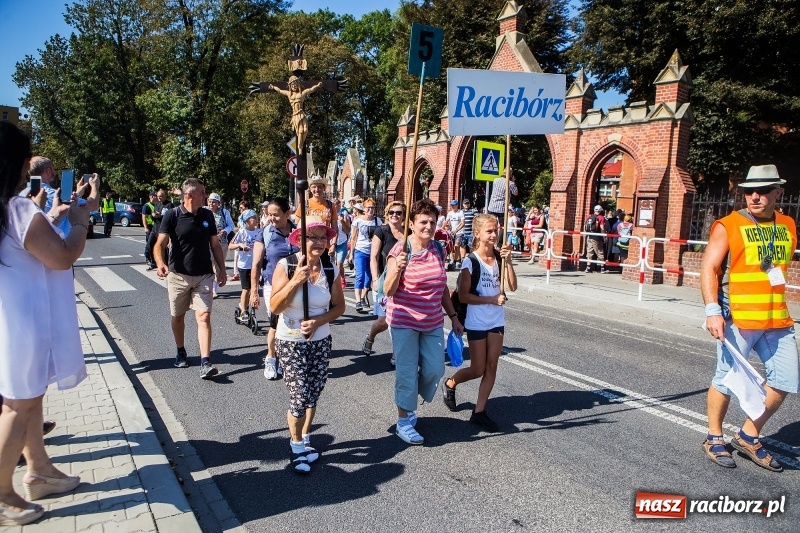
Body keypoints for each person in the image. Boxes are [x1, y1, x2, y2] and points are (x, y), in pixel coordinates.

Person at [0, 123, 88, 525]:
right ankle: (3, 494)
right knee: (18, 406)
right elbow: (60, 256)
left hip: (12, 319)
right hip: (24, 324)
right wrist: (82, 219)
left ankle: (39, 470)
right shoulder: (18, 209)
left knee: (28, 398)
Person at [700, 164, 797, 472]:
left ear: (778, 192)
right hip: (738, 318)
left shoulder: (789, 224)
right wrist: (713, 311)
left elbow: (774, 270)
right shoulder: (728, 225)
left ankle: (748, 434)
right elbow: (709, 269)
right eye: (749, 191)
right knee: (726, 380)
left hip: (776, 319)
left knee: (786, 379)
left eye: (763, 191)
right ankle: (714, 437)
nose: (755, 197)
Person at [383, 198, 464, 445]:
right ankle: (404, 420)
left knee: (435, 369)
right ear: (411, 223)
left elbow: (441, 288)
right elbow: (388, 290)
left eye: (432, 221)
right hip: (404, 320)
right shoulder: (400, 250)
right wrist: (397, 268)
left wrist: (453, 317)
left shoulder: (438, 249)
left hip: (432, 321)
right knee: (406, 372)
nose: (428, 226)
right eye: (423, 222)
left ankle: (408, 401)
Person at [269, 218, 344, 473]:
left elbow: (340, 307)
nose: (319, 243)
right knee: (299, 395)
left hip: (320, 339)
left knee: (313, 393)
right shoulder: (287, 265)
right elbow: (275, 307)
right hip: (290, 339)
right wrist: (294, 282)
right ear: (300, 240)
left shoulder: (330, 268)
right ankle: (296, 445)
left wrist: (318, 321)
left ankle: (307, 437)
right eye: (312, 237)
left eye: (323, 237)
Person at [442, 214, 517, 431]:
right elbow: (464, 296)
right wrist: (491, 299)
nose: (494, 235)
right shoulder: (470, 261)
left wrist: (509, 261)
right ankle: (451, 383)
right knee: (477, 369)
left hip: (496, 320)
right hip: (476, 321)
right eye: (489, 231)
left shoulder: (500, 258)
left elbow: (512, 286)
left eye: (496, 231)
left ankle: (479, 411)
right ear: (477, 234)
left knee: (492, 366)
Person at [154, 178, 227, 379]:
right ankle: (180, 350)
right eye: (202, 192)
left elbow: (214, 245)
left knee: (203, 316)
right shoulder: (172, 215)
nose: (206, 195)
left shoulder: (207, 216)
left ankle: (205, 361)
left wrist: (221, 269)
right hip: (178, 275)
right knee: (178, 316)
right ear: (190, 195)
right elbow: (159, 244)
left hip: (204, 274)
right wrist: (160, 263)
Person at [250, 197, 298, 380]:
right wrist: (254, 291)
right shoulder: (265, 233)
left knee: (293, 322)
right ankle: (271, 357)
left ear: (287, 214)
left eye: (276, 215)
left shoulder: (298, 232)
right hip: (273, 285)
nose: (272, 218)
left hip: (296, 284)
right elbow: (255, 264)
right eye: (269, 215)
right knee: (276, 322)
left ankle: (285, 359)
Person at [364, 201, 406, 359]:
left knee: (396, 320)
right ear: (387, 215)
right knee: (383, 321)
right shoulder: (381, 231)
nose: (395, 215)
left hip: (402, 284)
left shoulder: (408, 233)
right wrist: (374, 279)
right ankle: (371, 336)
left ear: (403, 216)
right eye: (391, 213)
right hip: (383, 282)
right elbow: (374, 257)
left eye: (399, 212)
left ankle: (397, 354)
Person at [229, 209, 263, 323]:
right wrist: (240, 245)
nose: (257, 219)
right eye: (254, 217)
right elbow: (230, 246)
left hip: (255, 265)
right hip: (244, 265)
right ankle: (243, 310)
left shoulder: (259, 232)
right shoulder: (242, 232)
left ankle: (249, 307)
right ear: (248, 220)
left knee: (254, 289)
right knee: (246, 289)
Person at [348, 199, 381, 313]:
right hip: (360, 251)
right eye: (368, 208)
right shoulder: (358, 221)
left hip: (373, 252)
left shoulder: (378, 221)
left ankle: (362, 297)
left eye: (372, 208)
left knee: (370, 277)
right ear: (364, 208)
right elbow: (353, 238)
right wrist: (351, 254)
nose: (370, 210)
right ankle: (358, 301)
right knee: (360, 275)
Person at [206, 192, 234, 296]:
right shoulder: (204, 211)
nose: (211, 204)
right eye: (209, 201)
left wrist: (225, 231)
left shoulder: (224, 212)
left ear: (218, 203)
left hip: (221, 243)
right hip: (207, 243)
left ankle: (214, 289)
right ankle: (207, 286)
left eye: (213, 202)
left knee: (218, 265)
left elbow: (231, 225)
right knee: (209, 264)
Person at [231, 199, 251, 282]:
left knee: (246, 256)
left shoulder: (250, 216)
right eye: (239, 208)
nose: (240, 209)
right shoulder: (240, 217)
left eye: (242, 208)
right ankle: (236, 273)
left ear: (246, 208)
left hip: (247, 238)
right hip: (240, 238)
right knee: (236, 256)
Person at [584, 205, 608, 273]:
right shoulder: (601, 218)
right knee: (600, 252)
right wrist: (604, 236)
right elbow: (602, 228)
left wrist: (585, 234)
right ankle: (602, 268)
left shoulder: (589, 216)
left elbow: (585, 225)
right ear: (600, 211)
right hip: (597, 237)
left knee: (589, 251)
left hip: (589, 236)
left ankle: (588, 267)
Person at [445, 199, 464, 269]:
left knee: (456, 246)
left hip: (459, 232)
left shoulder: (460, 212)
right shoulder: (450, 213)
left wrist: (456, 230)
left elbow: (463, 223)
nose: (452, 206)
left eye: (454, 205)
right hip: (452, 232)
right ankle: (453, 260)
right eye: (451, 205)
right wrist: (441, 228)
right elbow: (446, 221)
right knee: (450, 247)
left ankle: (457, 260)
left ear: (457, 205)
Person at [142, 191, 157, 267]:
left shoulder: (157, 205)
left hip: (156, 227)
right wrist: (146, 227)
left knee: (155, 244)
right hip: (150, 227)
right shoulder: (147, 206)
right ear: (151, 197)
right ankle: (148, 258)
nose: (157, 197)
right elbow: (144, 217)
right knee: (149, 244)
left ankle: (154, 259)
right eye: (155, 196)